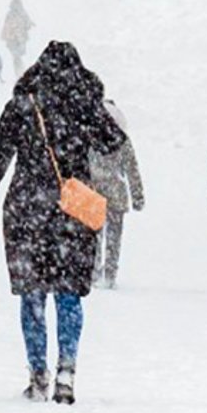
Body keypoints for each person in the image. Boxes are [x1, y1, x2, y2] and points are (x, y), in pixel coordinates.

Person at [0, 41, 125, 405]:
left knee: (32, 295)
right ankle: (66, 369)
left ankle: (38, 374)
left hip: (26, 211)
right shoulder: (84, 102)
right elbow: (114, 141)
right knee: (68, 294)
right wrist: (92, 102)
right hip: (72, 212)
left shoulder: (23, 105)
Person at [88, 100, 144, 289]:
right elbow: (132, 170)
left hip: (93, 193)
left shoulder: (88, 137)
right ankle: (110, 273)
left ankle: (94, 271)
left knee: (94, 234)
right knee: (114, 235)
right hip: (116, 193)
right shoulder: (122, 141)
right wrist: (137, 196)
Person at [2, 0, 34, 76]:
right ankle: (20, 71)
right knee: (17, 56)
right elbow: (28, 24)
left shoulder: (12, 14)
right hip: (18, 39)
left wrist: (5, 36)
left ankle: (19, 71)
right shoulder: (21, 13)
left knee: (16, 56)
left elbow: (6, 26)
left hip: (14, 39)